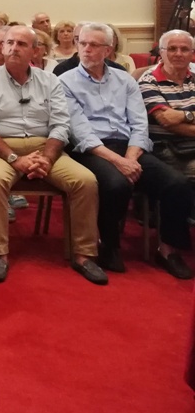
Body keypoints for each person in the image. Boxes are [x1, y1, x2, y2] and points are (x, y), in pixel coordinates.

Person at [0, 26, 105, 285]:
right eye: (10, 43)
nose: (13, 48)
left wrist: (46, 158)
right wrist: (16, 159)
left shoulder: (50, 80)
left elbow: (61, 124)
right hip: (0, 149)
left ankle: (84, 255)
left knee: (86, 181)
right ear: (1, 47)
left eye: (22, 44)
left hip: (45, 147)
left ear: (35, 51)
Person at [61, 23, 193, 278]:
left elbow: (139, 123)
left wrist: (131, 157)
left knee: (176, 184)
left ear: (108, 50)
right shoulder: (65, 82)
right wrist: (119, 162)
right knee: (116, 184)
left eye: (94, 45)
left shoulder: (124, 80)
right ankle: (109, 246)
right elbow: (79, 131)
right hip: (91, 150)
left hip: (129, 146)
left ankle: (168, 249)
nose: (86, 49)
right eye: (82, 44)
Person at [140, 30, 195, 185]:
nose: (178, 54)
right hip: (170, 149)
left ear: (192, 54)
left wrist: (182, 116)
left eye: (184, 49)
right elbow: (167, 121)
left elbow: (175, 118)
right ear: (161, 52)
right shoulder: (148, 82)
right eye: (172, 49)